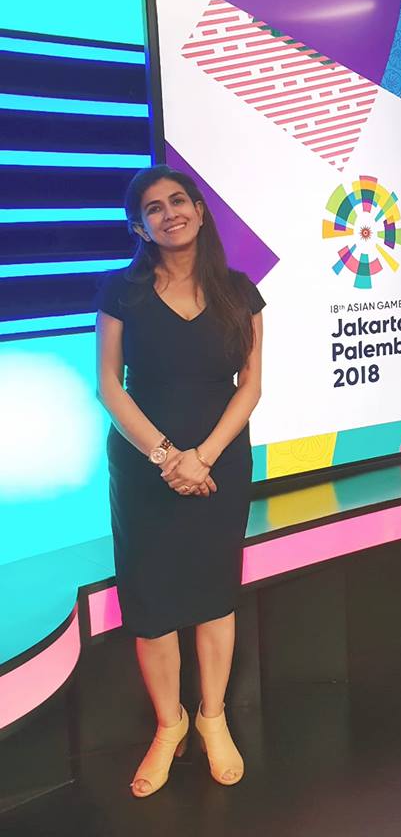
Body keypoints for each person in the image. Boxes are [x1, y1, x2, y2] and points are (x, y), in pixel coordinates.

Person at [95, 165, 264, 797]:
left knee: (215, 593)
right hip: (144, 468)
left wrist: (204, 458)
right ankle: (170, 726)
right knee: (153, 601)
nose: (170, 213)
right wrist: (168, 457)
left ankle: (212, 718)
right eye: (154, 208)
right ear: (139, 226)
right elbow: (109, 386)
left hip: (221, 463)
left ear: (198, 208)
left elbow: (250, 386)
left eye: (178, 200)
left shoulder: (240, 291)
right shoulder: (121, 292)